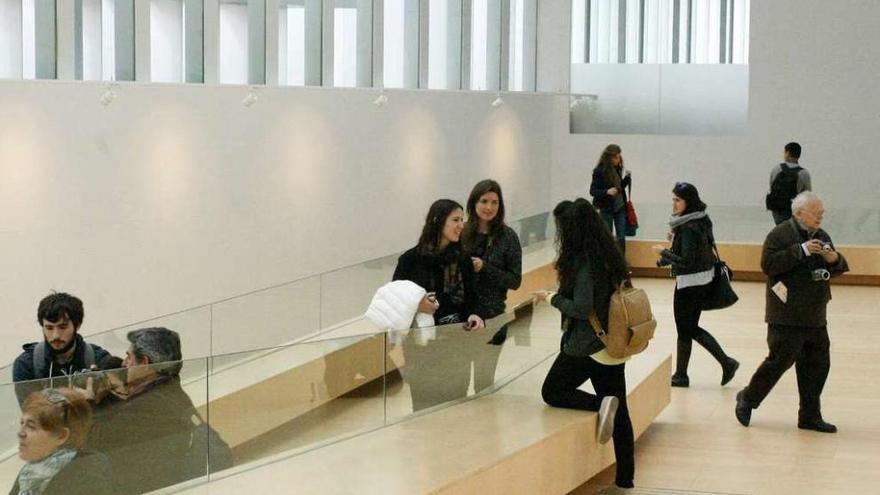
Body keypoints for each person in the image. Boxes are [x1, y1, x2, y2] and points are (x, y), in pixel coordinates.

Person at [536, 198, 635, 493]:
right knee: (622, 413)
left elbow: (581, 307)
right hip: (614, 344)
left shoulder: (583, 263)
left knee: (552, 390)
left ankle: (600, 404)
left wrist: (552, 297)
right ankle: (625, 479)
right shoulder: (609, 255)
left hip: (586, 346)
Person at [736, 192, 848, 433]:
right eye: (816, 211)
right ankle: (747, 398)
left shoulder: (822, 235)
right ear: (799, 213)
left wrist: (833, 258)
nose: (821, 215)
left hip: (815, 313)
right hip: (786, 313)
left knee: (817, 364)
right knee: (779, 361)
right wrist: (802, 251)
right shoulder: (780, 234)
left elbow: (837, 269)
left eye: (822, 211)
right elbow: (768, 265)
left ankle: (810, 415)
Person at [87, 327, 230, 493]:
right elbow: (128, 425)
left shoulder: (150, 407)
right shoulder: (170, 391)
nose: (124, 363)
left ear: (145, 363)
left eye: (129, 357)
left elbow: (97, 440)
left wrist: (89, 402)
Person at [392, 199, 485, 411]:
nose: (461, 225)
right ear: (437, 221)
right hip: (422, 347)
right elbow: (395, 298)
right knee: (425, 406)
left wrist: (475, 315)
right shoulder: (410, 260)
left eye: (462, 220)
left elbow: (472, 298)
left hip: (456, 344)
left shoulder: (462, 260)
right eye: (455, 220)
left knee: (456, 404)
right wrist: (417, 305)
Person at [652, 183, 739, 388]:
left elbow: (688, 261)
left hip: (690, 284)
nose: (674, 204)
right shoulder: (698, 219)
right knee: (687, 328)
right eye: (673, 199)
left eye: (677, 200)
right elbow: (692, 253)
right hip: (701, 280)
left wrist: (663, 253)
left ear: (687, 201)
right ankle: (682, 374)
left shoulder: (689, 226)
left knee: (687, 328)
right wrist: (666, 257)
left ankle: (725, 363)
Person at [461, 179, 522, 392]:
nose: (489, 207)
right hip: (463, 318)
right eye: (484, 201)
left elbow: (515, 281)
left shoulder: (508, 237)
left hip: (493, 317)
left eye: (494, 202)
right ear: (474, 203)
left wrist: (485, 267)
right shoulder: (462, 233)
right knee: (458, 385)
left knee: (483, 385)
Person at [13, 293, 114, 404]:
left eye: (63, 327)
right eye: (49, 328)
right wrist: (75, 400)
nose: (56, 335)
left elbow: (115, 413)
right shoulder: (26, 364)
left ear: (77, 325)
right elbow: (31, 415)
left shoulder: (99, 358)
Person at [10, 388, 115, 495]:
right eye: (22, 423)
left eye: (31, 426)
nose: (20, 433)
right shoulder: (33, 469)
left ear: (61, 436)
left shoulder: (87, 474)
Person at [589, 144, 631, 254]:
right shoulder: (599, 171)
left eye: (619, 156)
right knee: (608, 237)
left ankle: (622, 263)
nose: (619, 159)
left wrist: (626, 179)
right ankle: (610, 262)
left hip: (620, 207)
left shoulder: (617, 168)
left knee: (621, 237)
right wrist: (606, 192)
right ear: (610, 158)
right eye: (616, 157)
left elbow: (618, 188)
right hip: (606, 208)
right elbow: (593, 191)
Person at [766, 142, 812, 225]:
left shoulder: (777, 168)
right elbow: (807, 196)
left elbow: (771, 186)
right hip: (793, 210)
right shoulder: (804, 173)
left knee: (780, 230)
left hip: (776, 209)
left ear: (787, 153)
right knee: (792, 233)